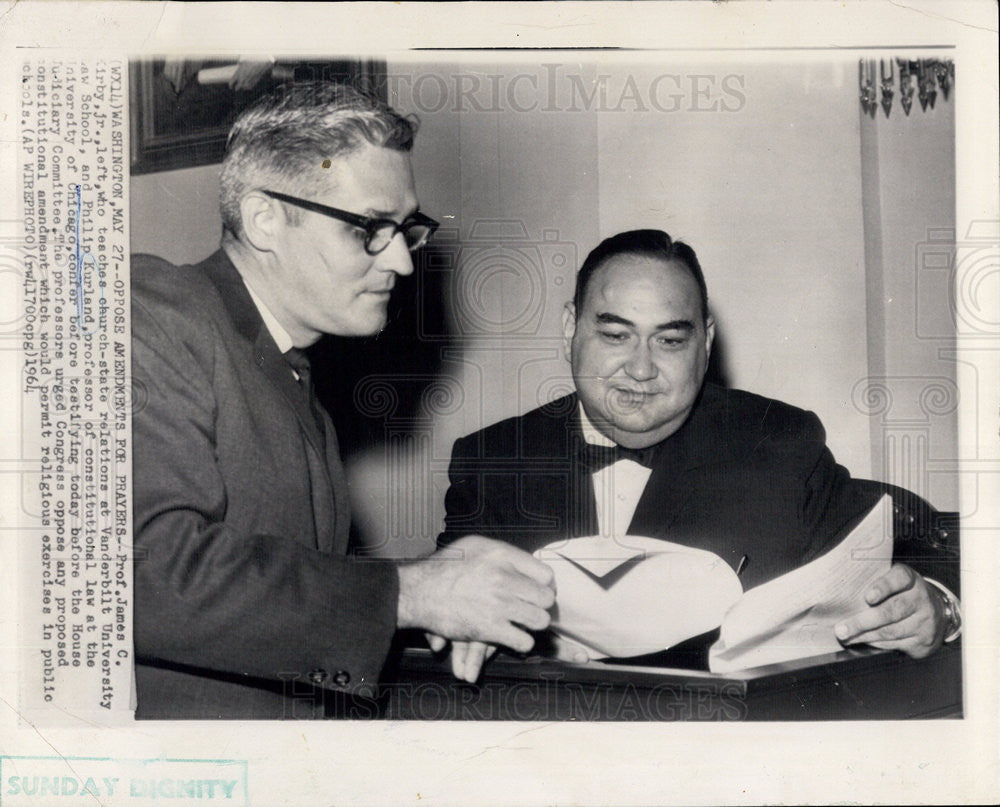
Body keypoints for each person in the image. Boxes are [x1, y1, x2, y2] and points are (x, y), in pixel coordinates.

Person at [131, 81, 555, 719]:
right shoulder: (154, 312)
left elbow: (278, 600)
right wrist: (410, 593)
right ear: (264, 218)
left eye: (405, 230)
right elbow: (143, 570)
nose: (404, 265)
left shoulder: (293, 376)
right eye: (369, 229)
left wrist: (442, 587)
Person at [438, 229, 961, 682]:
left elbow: (912, 541)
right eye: (616, 335)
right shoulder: (493, 459)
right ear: (571, 328)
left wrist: (937, 604)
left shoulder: (776, 442)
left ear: (705, 343)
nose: (640, 369)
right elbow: (442, 618)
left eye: (669, 341)